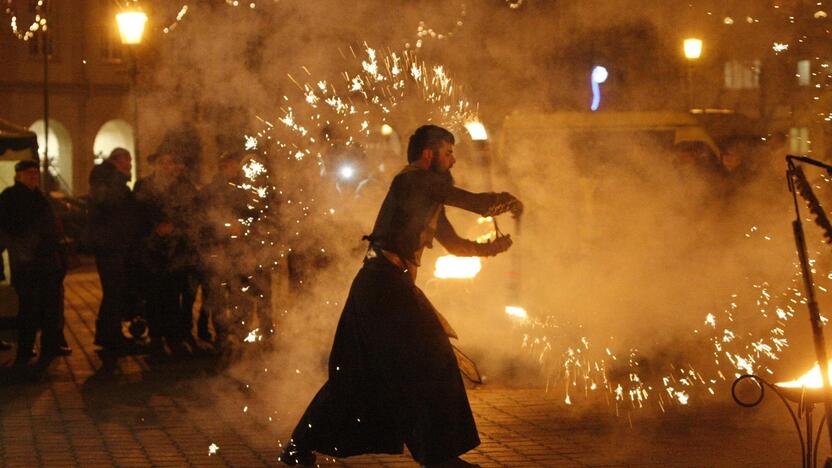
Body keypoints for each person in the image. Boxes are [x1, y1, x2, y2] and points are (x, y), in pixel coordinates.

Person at [281, 125, 523, 467]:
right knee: (426, 359)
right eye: (448, 152)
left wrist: (491, 249)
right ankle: (438, 455)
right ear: (429, 154)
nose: (453, 160)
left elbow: (454, 245)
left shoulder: (428, 195)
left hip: (390, 286)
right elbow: (471, 201)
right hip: (381, 286)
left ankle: (299, 446)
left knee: (363, 372)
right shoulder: (410, 181)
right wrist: (503, 201)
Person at [0, 160, 70, 366]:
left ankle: (49, 346)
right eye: (29, 173)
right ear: (18, 175)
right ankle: (26, 348)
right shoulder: (10, 197)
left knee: (49, 306)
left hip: (46, 260)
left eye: (35, 173)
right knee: (29, 308)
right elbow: (10, 228)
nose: (33, 176)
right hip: (27, 261)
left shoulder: (40, 196)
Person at [88, 147, 138, 352]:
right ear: (119, 161)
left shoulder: (108, 177)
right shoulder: (108, 177)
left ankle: (108, 334)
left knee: (114, 292)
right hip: (110, 244)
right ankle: (110, 336)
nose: (131, 166)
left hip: (112, 243)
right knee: (114, 291)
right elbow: (109, 204)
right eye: (129, 161)